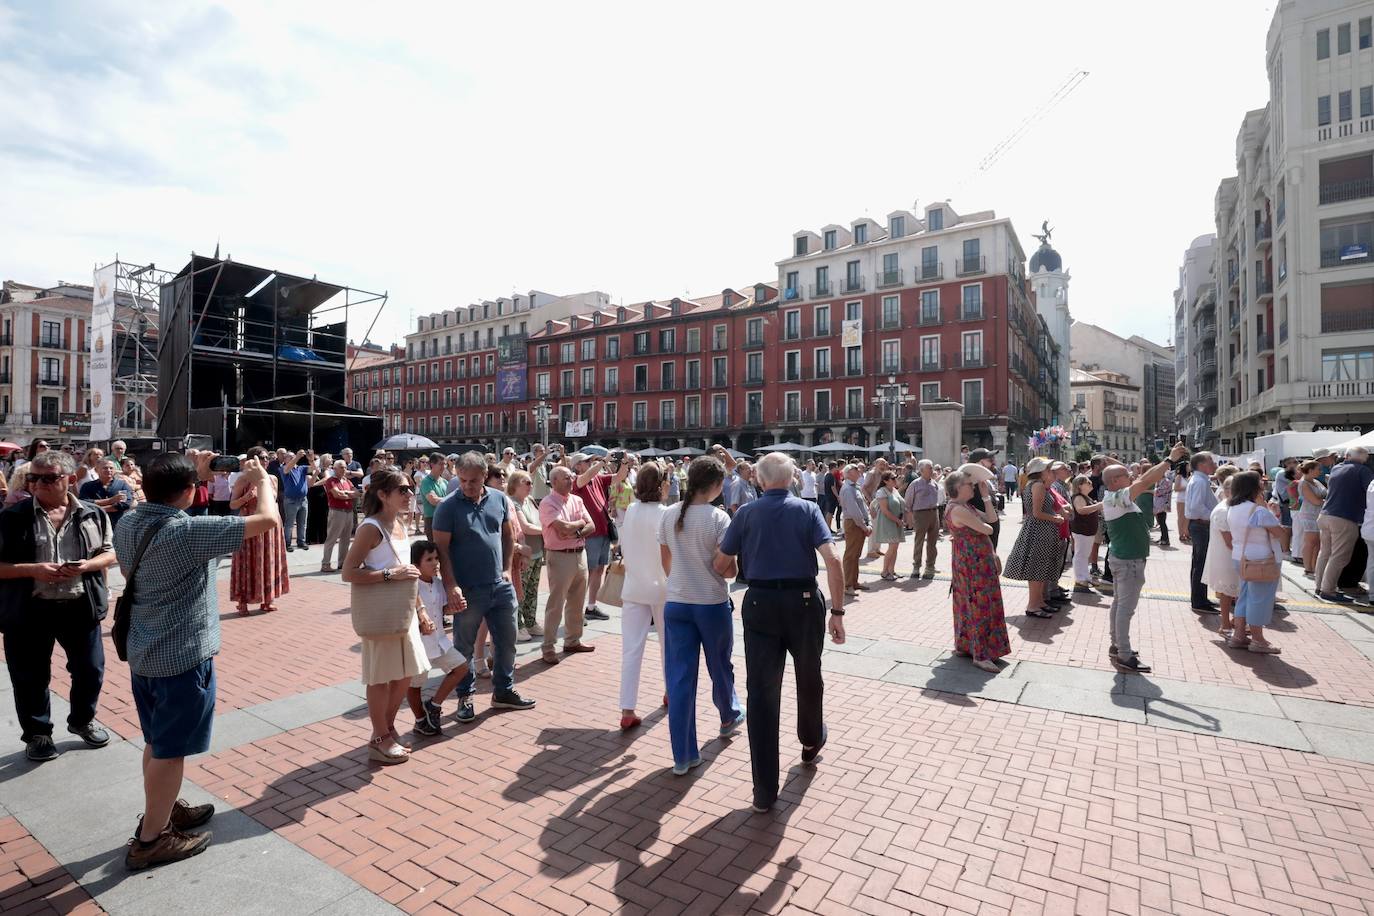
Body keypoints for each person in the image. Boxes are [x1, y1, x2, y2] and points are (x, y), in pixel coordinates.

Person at [116, 450, 279, 869]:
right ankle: (152, 839)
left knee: (156, 740)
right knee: (170, 750)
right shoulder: (186, 534)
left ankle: (163, 807)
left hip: (144, 650)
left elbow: (182, 511)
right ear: (188, 491)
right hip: (182, 656)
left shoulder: (130, 521)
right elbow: (267, 521)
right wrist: (262, 481)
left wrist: (194, 477)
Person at [713, 452, 844, 812]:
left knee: (762, 692)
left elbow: (722, 563)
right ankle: (810, 740)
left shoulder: (746, 514)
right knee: (809, 675)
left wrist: (741, 562)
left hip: (759, 603)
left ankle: (764, 791)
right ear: (792, 479)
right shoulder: (807, 510)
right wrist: (838, 611)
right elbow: (832, 559)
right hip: (803, 602)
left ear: (759, 479)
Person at [0, 450, 118, 763]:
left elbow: (110, 553)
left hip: (80, 605)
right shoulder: (12, 516)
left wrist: (87, 565)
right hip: (28, 610)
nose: (38, 484)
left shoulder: (92, 512)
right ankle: (38, 734)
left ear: (68, 479)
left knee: (90, 670)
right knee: (29, 676)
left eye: (48, 478)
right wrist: (33, 569)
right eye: (33, 478)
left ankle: (82, 720)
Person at [433, 452, 536, 721]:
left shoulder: (499, 498)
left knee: (507, 641)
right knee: (464, 646)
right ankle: (465, 695)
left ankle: (503, 691)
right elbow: (441, 551)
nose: (468, 485)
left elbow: (507, 534)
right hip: (467, 589)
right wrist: (451, 586)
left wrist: (505, 569)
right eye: (463, 480)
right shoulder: (447, 508)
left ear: (483, 477)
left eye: (474, 481)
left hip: (500, 585)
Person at [658, 456, 743, 777]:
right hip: (710, 602)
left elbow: (665, 560)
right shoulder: (718, 518)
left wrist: (681, 580)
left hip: (677, 602)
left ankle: (683, 755)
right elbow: (727, 567)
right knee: (720, 664)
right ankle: (728, 713)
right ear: (717, 485)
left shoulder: (668, 515)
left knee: (679, 679)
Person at [340, 468, 429, 763]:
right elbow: (348, 572)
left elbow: (410, 572)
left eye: (410, 489)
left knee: (407, 673)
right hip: (382, 615)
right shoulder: (370, 528)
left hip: (404, 613)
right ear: (382, 495)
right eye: (402, 490)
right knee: (380, 677)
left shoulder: (400, 523)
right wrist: (391, 574)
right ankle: (380, 736)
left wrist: (421, 610)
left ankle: (385, 728)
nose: (409, 494)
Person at [1101, 443, 1191, 673]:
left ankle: (1117, 646)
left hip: (1125, 558)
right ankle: (1124, 653)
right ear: (1114, 482)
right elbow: (1145, 481)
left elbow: (1142, 480)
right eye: (1124, 475)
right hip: (1128, 560)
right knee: (1125, 609)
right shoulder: (1117, 497)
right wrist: (1169, 460)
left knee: (1119, 604)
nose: (1130, 476)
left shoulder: (1114, 496)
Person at [618, 463, 669, 731]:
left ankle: (627, 708)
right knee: (667, 645)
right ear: (661, 485)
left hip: (634, 585)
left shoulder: (631, 511)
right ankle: (670, 691)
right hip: (662, 587)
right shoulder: (666, 513)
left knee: (631, 649)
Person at [944, 467, 1010, 673]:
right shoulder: (959, 509)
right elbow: (988, 529)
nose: (972, 485)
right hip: (973, 561)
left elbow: (991, 518)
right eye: (968, 484)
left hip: (974, 559)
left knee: (968, 601)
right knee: (979, 603)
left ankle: (966, 645)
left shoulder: (964, 506)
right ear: (957, 488)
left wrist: (985, 497)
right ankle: (981, 655)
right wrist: (984, 528)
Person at [405, 540, 471, 737]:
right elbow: (407, 615)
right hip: (420, 645)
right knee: (415, 684)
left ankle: (433, 705)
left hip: (440, 641)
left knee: (461, 667)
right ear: (416, 565)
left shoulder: (440, 584)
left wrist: (451, 608)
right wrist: (420, 623)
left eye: (436, 559)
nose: (435, 563)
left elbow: (441, 609)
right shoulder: (411, 586)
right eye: (429, 560)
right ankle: (419, 720)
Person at [537, 465, 595, 664]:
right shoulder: (547, 503)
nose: (571, 480)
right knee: (556, 603)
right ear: (553, 482)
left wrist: (575, 530)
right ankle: (548, 646)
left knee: (577, 602)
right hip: (559, 556)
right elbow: (562, 528)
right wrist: (579, 525)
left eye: (571, 477)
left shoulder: (577, 500)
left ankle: (572, 640)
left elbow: (592, 525)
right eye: (566, 478)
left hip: (580, 554)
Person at [1226, 471, 1288, 654]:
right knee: (1259, 599)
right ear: (1253, 488)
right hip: (1262, 560)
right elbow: (1280, 535)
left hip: (1241, 557)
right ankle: (1258, 640)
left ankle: (1239, 635)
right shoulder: (1258, 511)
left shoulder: (1233, 508)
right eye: (1260, 483)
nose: (1263, 485)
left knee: (1245, 596)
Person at [229, 446, 289, 616]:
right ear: (252, 461)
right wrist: (245, 498)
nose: (265, 461)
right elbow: (232, 504)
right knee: (247, 562)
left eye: (266, 457)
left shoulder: (272, 479)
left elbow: (274, 500)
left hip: (270, 526)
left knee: (268, 560)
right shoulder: (243, 479)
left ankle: (267, 599)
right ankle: (243, 602)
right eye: (262, 458)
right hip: (250, 523)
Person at [571, 453, 630, 622]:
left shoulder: (598, 478)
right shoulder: (577, 481)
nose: (591, 462)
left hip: (603, 530)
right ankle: (578, 610)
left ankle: (591, 606)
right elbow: (586, 476)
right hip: (591, 534)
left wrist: (624, 461)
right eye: (587, 461)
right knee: (587, 572)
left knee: (599, 570)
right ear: (577, 466)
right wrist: (604, 461)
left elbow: (619, 477)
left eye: (591, 460)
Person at [1003, 458, 1064, 618]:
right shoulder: (1038, 486)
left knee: (1040, 568)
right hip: (1039, 531)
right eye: (1048, 469)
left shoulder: (1038, 485)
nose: (1051, 472)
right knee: (1037, 568)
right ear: (1041, 471)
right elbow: (1037, 513)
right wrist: (1055, 518)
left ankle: (1039, 603)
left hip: (1041, 530)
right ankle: (1033, 605)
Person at [1315, 447, 1373, 603]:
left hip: (1325, 514)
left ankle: (1319, 586)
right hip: (1344, 518)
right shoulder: (1363, 471)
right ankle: (1328, 591)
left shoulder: (1337, 468)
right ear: (1365, 458)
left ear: (1347, 456)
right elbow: (1370, 491)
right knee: (1339, 556)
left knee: (1325, 552)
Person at [1202, 466, 1240, 639]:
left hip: (1229, 556)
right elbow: (1229, 541)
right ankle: (1225, 625)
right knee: (1226, 593)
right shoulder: (1223, 510)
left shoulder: (1229, 506)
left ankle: (1235, 623)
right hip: (1226, 557)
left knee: (1232, 592)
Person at [507, 470, 544, 642]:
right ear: (515, 484)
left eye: (531, 482)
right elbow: (526, 527)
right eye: (526, 482)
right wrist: (550, 530)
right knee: (520, 590)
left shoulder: (529, 500)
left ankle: (531, 621)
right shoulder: (513, 503)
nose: (530, 486)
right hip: (523, 554)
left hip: (537, 552)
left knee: (532, 590)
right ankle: (518, 624)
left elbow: (539, 520)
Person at [1184, 451, 1220, 614]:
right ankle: (1199, 601)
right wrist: (1214, 517)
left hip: (1200, 525)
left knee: (1200, 564)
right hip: (1201, 525)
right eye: (1211, 461)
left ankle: (1200, 598)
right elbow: (1196, 508)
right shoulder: (1199, 481)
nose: (1214, 464)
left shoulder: (1199, 480)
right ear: (1202, 464)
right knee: (1201, 564)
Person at [904, 460, 941, 580]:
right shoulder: (915, 484)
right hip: (920, 514)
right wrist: (909, 519)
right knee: (919, 541)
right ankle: (916, 567)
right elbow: (908, 503)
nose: (932, 470)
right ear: (921, 470)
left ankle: (930, 567)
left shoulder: (934, 483)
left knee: (932, 542)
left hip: (934, 513)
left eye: (932, 468)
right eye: (929, 468)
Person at [837, 464, 871, 594]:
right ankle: (847, 585)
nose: (859, 471)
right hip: (853, 523)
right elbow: (854, 510)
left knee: (856, 554)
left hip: (859, 523)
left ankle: (854, 581)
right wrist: (864, 526)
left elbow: (863, 507)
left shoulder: (855, 487)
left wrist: (868, 524)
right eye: (855, 469)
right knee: (851, 554)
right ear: (848, 473)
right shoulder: (847, 489)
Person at [320, 459, 357, 572]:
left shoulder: (347, 481)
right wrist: (350, 494)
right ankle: (325, 564)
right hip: (337, 512)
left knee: (346, 539)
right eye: (341, 467)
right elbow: (337, 495)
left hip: (348, 512)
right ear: (334, 469)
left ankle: (342, 563)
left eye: (345, 467)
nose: (344, 469)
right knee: (332, 538)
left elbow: (356, 493)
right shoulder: (331, 480)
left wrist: (346, 494)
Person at [79, 458, 136, 529]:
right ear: (97, 470)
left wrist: (97, 509)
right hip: (95, 524)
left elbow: (125, 504)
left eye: (111, 468)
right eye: (105, 468)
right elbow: (84, 502)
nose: (109, 470)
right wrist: (110, 500)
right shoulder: (87, 486)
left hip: (117, 524)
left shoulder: (122, 485)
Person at [1068, 475, 1102, 594]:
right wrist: (1098, 506)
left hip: (1087, 530)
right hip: (1082, 530)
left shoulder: (1084, 496)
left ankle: (1085, 576)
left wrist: (1096, 506)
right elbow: (1081, 510)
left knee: (1084, 554)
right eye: (1087, 482)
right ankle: (1080, 578)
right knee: (1081, 554)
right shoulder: (1078, 497)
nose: (1090, 483)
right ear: (1080, 485)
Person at [871, 471, 906, 580]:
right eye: (893, 478)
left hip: (896, 521)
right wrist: (897, 520)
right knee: (892, 546)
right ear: (885, 481)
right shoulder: (882, 491)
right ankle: (885, 571)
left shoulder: (894, 490)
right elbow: (885, 510)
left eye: (896, 477)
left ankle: (891, 570)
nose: (896, 480)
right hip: (888, 521)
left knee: (895, 547)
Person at [278, 450, 314, 552]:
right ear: (285, 460)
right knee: (289, 523)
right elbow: (287, 469)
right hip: (291, 500)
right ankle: (287, 543)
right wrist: (297, 457)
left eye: (293, 456)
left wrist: (311, 459)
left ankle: (301, 542)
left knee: (302, 523)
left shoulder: (301, 468)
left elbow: (313, 469)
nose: (292, 457)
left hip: (303, 499)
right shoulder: (283, 468)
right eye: (290, 456)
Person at [417, 451, 448, 541]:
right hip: (432, 520)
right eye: (440, 464)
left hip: (446, 518)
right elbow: (433, 501)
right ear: (432, 464)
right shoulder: (426, 481)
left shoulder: (445, 482)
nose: (443, 467)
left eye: (445, 464)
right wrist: (449, 500)